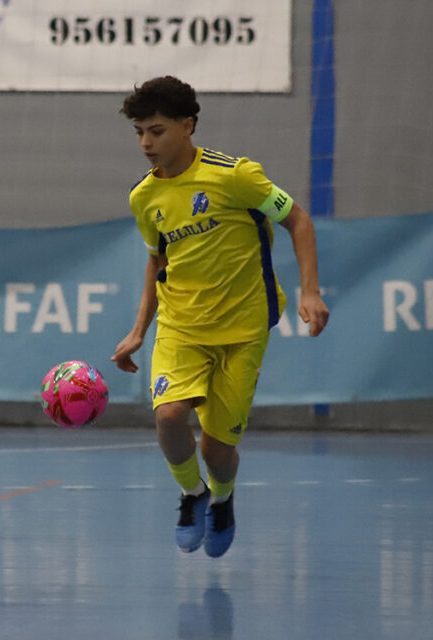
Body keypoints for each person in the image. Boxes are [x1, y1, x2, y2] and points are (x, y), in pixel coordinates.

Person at [111, 76, 329, 558]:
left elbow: (297, 220)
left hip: (243, 329)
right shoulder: (143, 197)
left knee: (215, 449)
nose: (147, 143)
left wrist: (309, 291)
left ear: (188, 125)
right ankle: (192, 495)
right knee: (168, 416)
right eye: (139, 132)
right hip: (180, 325)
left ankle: (223, 499)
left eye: (157, 131)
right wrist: (138, 331)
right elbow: (157, 260)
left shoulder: (235, 176)